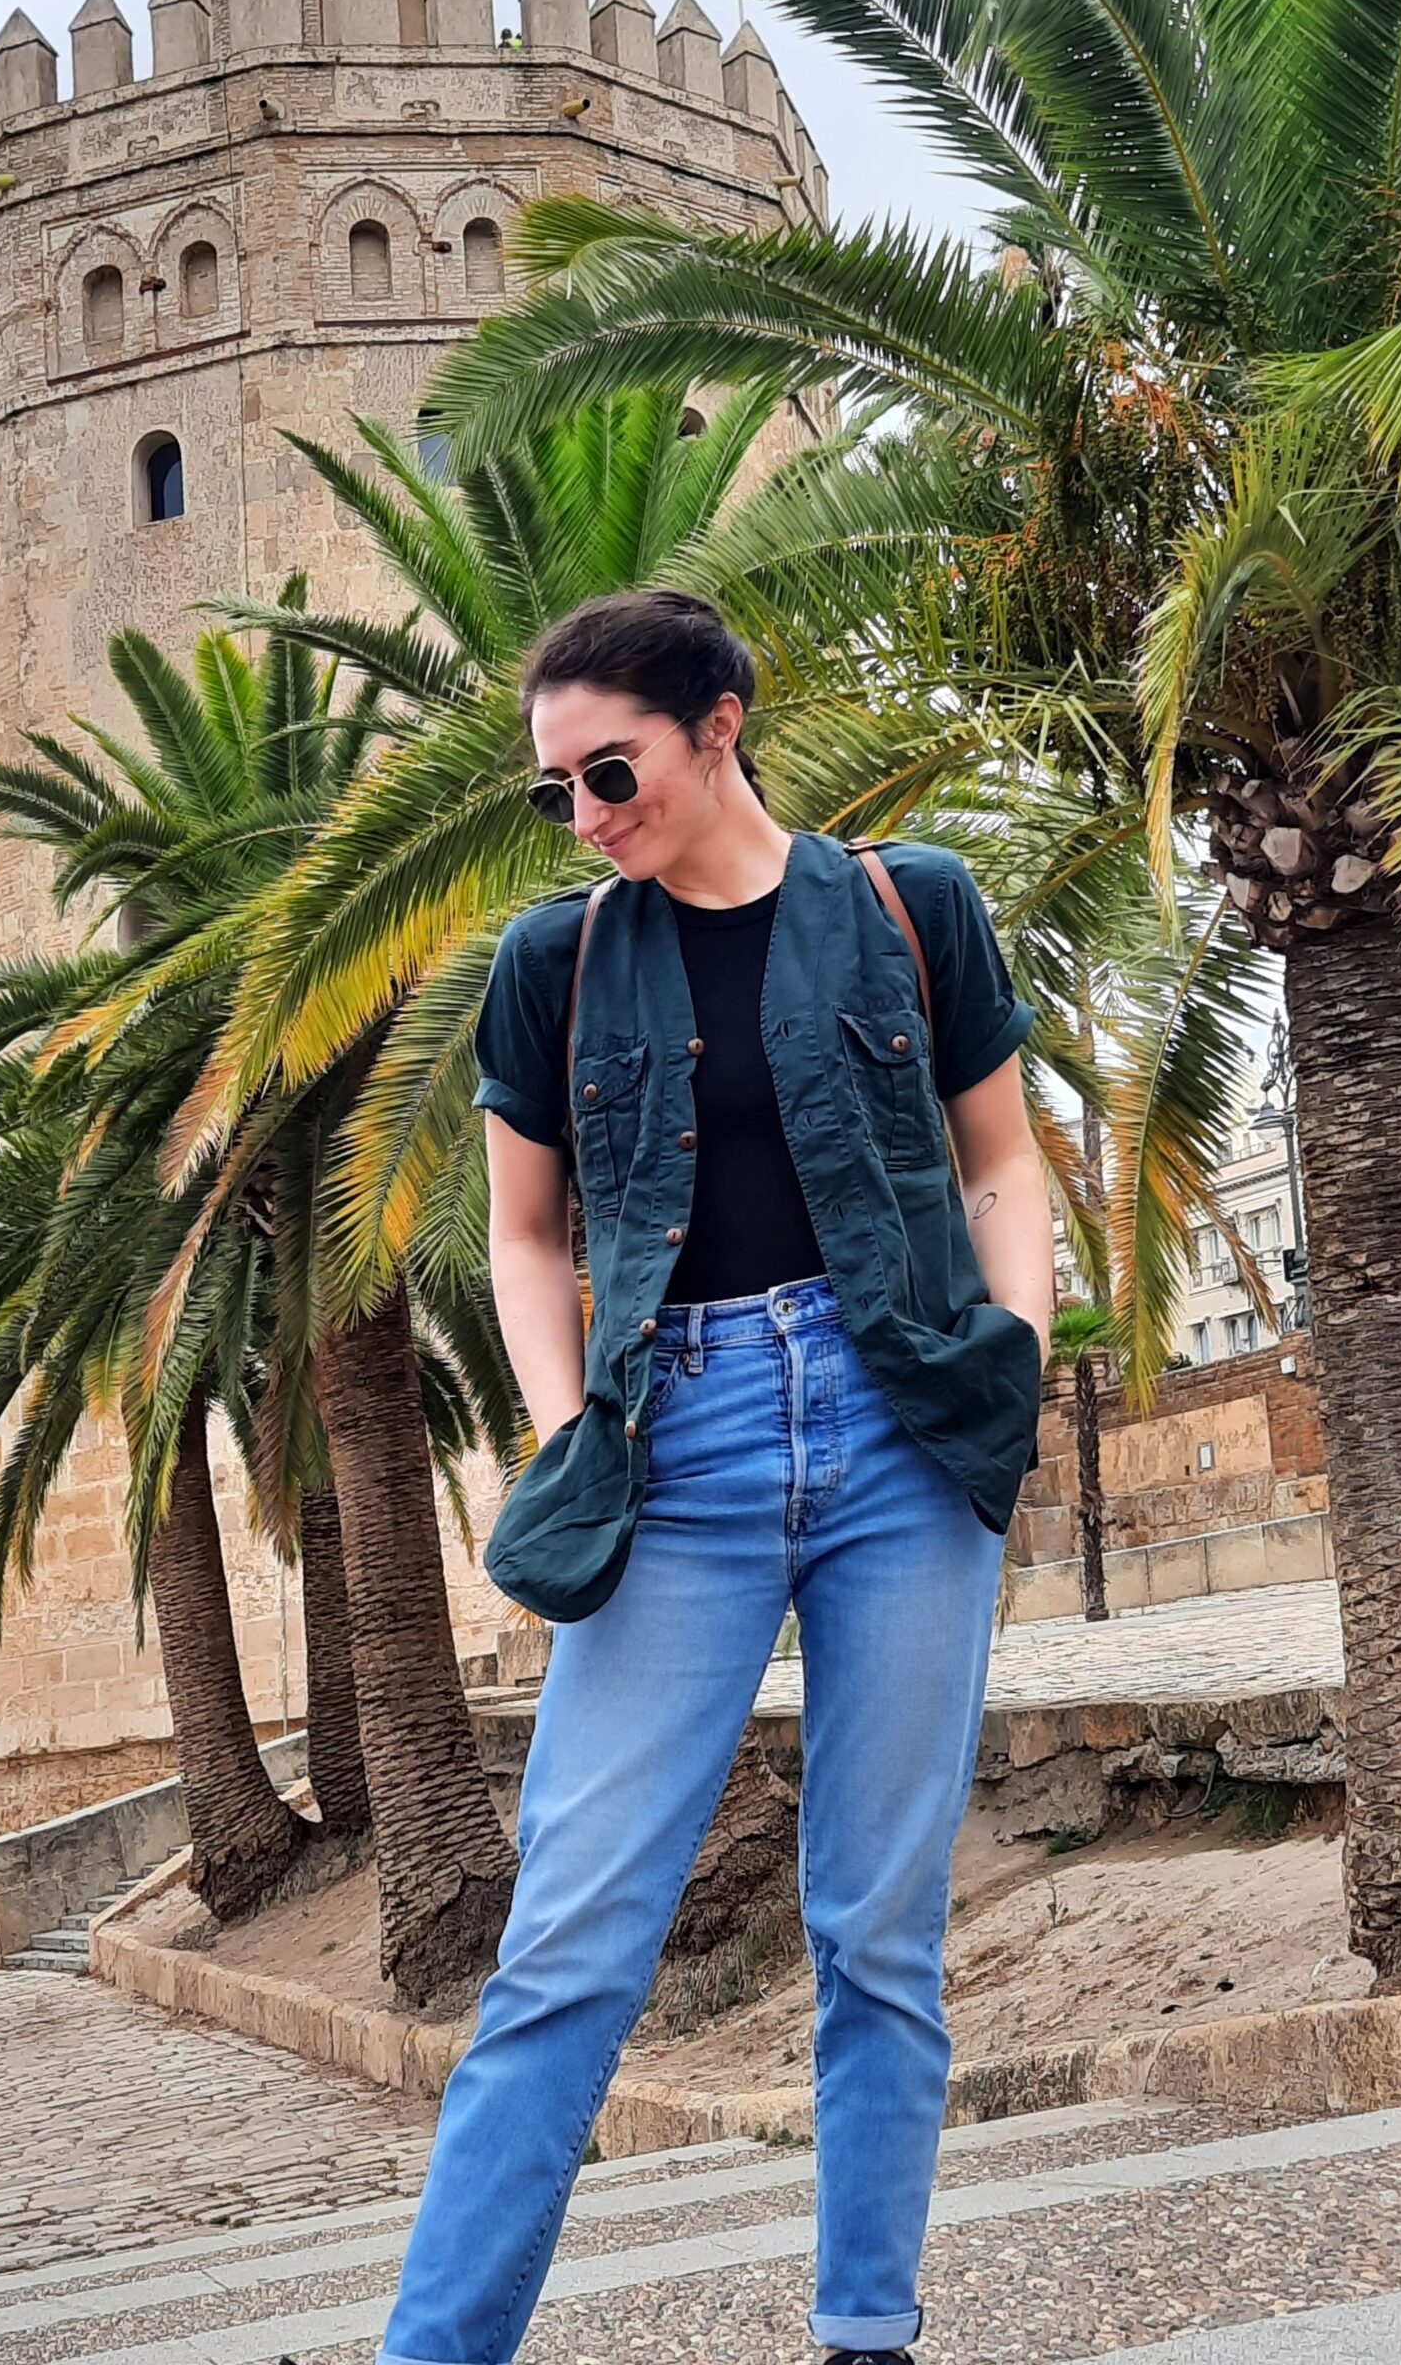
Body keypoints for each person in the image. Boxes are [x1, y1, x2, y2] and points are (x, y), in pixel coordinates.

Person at [375, 588, 1053, 2365]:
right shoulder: (559, 963)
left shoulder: (915, 908)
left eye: (614, 770)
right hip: (673, 1443)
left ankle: (865, 2336)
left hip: (905, 1422)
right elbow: (527, 1238)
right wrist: (562, 1427)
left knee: (879, 1933)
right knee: (567, 1951)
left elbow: (1002, 1168)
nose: (589, 815)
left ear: (720, 725)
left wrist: (1019, 1363)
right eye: (558, 794)